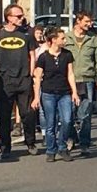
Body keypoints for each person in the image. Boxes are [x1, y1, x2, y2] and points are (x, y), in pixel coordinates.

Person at [0, 4, 39, 159]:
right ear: (9, 17)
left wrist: (31, 72)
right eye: (18, 16)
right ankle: (5, 147)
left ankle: (30, 142)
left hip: (23, 79)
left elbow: (32, 53)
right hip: (5, 81)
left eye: (22, 15)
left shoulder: (27, 34)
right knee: (4, 115)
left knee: (27, 113)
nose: (21, 18)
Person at [31, 28, 80, 162]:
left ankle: (62, 147)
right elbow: (38, 76)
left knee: (67, 120)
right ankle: (51, 150)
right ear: (53, 40)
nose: (65, 40)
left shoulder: (67, 55)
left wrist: (74, 92)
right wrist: (36, 97)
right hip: (48, 93)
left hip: (64, 93)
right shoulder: (44, 57)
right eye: (62, 38)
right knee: (50, 123)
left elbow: (70, 74)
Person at [64, 11, 97, 156]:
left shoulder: (93, 39)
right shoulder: (66, 38)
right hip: (69, 81)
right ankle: (71, 137)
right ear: (78, 21)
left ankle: (84, 143)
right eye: (87, 21)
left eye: (91, 22)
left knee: (85, 114)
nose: (90, 24)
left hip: (87, 80)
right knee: (67, 114)